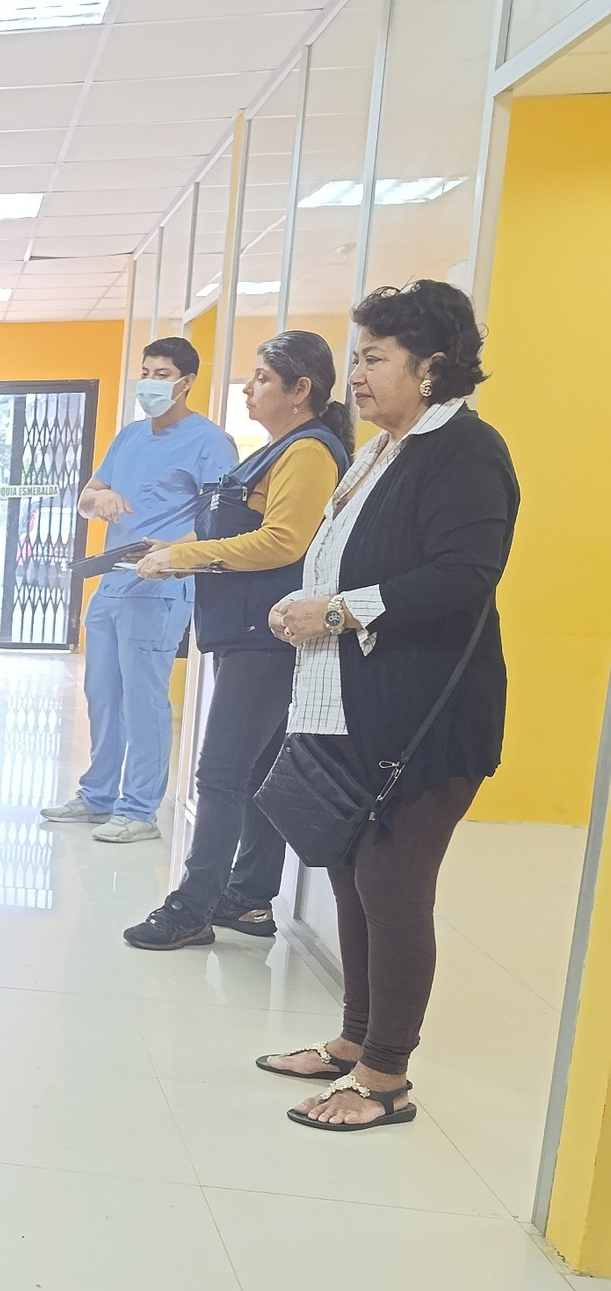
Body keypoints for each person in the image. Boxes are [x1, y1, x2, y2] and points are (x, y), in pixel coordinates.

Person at [254, 281, 521, 1132]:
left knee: (393, 884)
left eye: (374, 358)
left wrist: (335, 612)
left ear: (431, 368)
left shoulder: (465, 451)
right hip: (350, 706)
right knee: (351, 874)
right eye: (357, 357)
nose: (358, 375)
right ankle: (354, 1040)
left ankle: (385, 1078)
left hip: (424, 717)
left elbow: (464, 575)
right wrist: (307, 607)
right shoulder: (382, 452)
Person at [122, 332, 354, 949]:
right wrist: (171, 551)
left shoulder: (308, 452)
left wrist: (185, 556)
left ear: (300, 390)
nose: (248, 389)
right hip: (249, 630)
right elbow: (237, 531)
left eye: (262, 379)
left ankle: (192, 908)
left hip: (265, 636)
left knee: (221, 773)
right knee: (254, 772)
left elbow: (284, 541)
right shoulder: (275, 451)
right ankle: (249, 899)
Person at [43, 337, 239, 843]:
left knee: (144, 700)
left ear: (186, 382)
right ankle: (98, 796)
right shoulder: (129, 437)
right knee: (103, 695)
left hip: (160, 586)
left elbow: (223, 521)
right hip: (112, 582)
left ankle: (138, 809)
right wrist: (102, 497)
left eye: (162, 374)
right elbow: (86, 497)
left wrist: (173, 552)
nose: (150, 383)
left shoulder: (210, 442)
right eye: (146, 372)